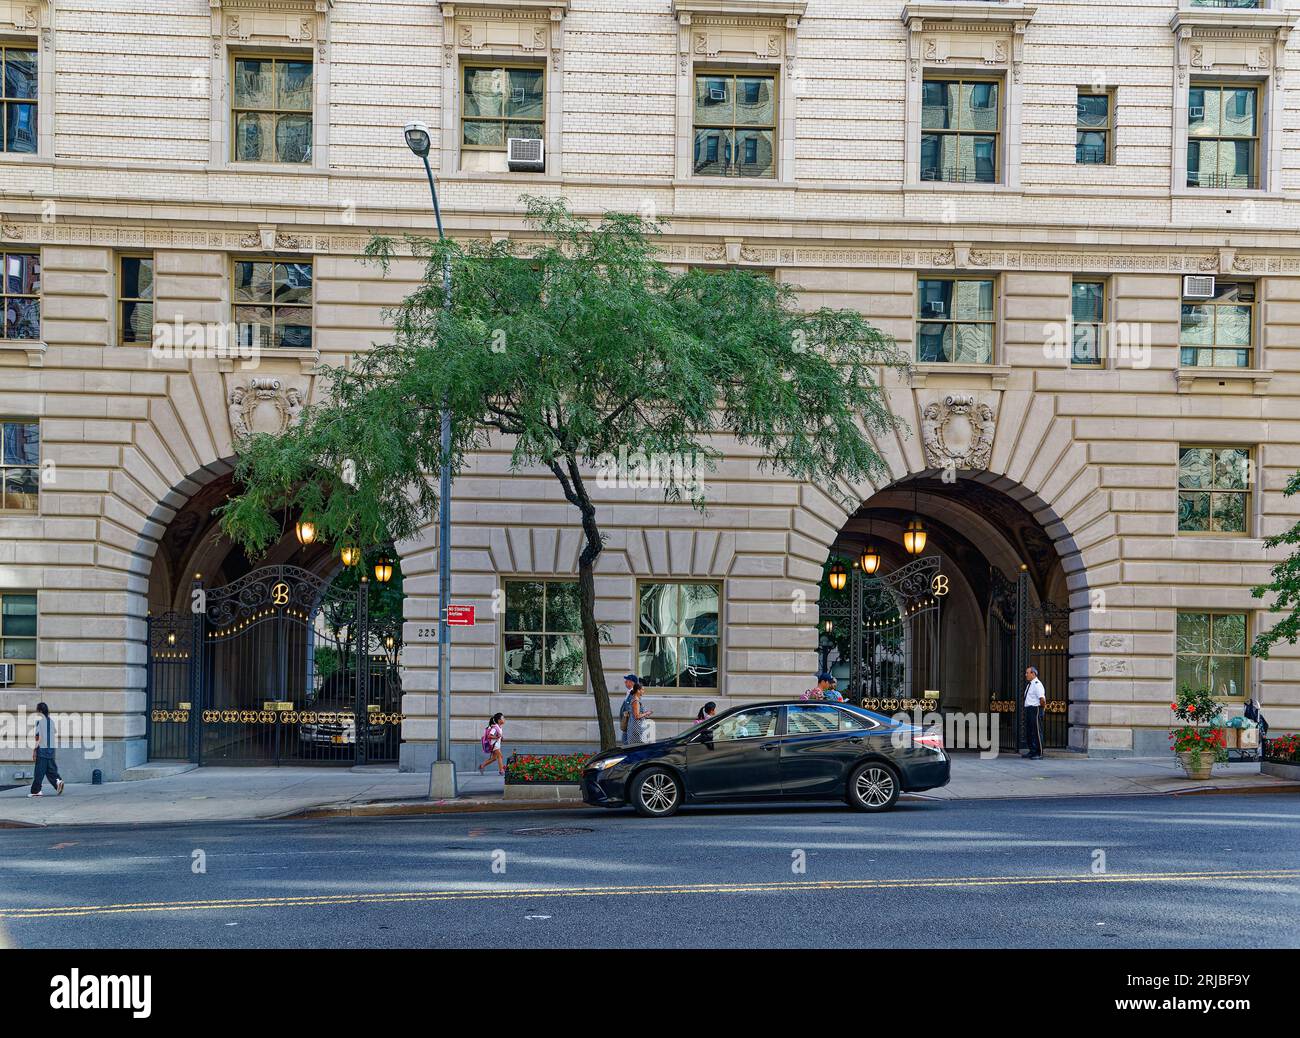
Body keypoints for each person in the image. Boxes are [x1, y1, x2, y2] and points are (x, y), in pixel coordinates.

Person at [29, 702, 65, 797]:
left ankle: (36, 791)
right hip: (51, 749)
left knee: (39, 772)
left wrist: (34, 750)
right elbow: (54, 733)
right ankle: (58, 781)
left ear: (40, 711)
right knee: (50, 770)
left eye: (37, 710)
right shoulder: (51, 721)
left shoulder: (40, 722)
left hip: (42, 750)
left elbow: (39, 738)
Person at [1022, 666, 1046, 760]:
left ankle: (1039, 753)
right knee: (1030, 732)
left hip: (1035, 709)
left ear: (1033, 674)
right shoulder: (1030, 684)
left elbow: (1042, 699)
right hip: (1029, 710)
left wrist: (1041, 709)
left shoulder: (1037, 684)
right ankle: (1032, 751)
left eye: (1027, 673)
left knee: (1036, 731)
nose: (1026, 674)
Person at [623, 681, 652, 746]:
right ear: (638, 690)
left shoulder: (635, 699)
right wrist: (646, 713)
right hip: (636, 728)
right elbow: (637, 716)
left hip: (635, 727)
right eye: (642, 690)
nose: (643, 691)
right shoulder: (636, 701)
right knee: (639, 747)